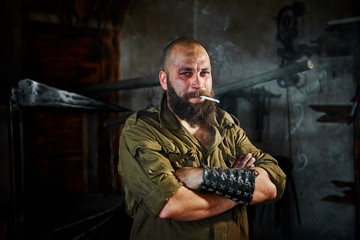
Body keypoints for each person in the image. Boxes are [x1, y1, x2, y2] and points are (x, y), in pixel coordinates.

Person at [118, 37, 286, 240]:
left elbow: (271, 185)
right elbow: (171, 205)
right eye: (186, 73)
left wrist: (206, 177)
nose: (198, 83)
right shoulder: (142, 129)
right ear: (164, 80)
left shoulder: (225, 124)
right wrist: (240, 189)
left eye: (204, 73)